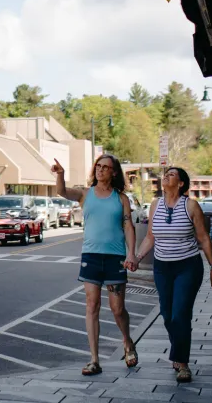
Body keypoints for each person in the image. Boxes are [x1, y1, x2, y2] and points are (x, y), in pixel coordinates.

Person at [51, 154, 139, 376]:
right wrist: (61, 175)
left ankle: (127, 342)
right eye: (98, 166)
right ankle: (94, 359)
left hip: (115, 258)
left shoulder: (121, 199)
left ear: (114, 172)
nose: (100, 170)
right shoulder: (85, 194)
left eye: (105, 167)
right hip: (90, 256)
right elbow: (62, 191)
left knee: (118, 309)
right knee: (92, 305)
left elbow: (128, 227)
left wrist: (132, 254)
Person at [133, 167, 212, 383]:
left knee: (180, 314)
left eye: (172, 175)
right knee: (167, 315)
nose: (166, 176)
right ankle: (178, 349)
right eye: (165, 174)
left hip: (187, 267)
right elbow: (150, 236)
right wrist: (137, 257)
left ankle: (182, 363)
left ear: (181, 184)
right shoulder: (155, 205)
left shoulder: (191, 205)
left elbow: (204, 238)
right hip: (162, 268)